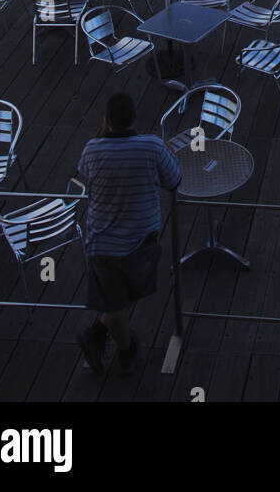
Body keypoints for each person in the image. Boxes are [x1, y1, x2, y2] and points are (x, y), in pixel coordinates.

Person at [76, 92, 181, 376]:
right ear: (134, 117)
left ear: (107, 120)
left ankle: (99, 335)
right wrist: (167, 153)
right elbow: (174, 180)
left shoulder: (91, 150)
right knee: (122, 303)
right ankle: (125, 351)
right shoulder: (152, 147)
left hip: (101, 242)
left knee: (117, 299)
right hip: (139, 242)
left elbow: (86, 172)